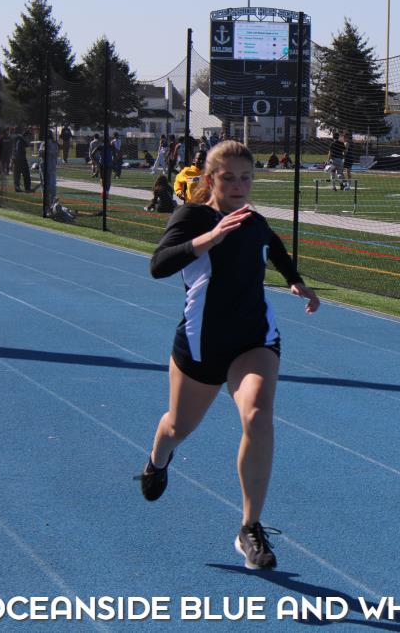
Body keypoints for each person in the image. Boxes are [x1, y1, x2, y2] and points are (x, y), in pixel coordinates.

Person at [138, 140, 320, 570]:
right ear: (210, 179)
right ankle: (158, 459)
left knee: (257, 416)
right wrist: (211, 237)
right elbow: (159, 264)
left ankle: (249, 527)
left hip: (255, 338)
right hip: (202, 343)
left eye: (246, 178)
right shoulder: (192, 217)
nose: (238, 186)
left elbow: (271, 244)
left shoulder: (253, 219)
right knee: (178, 425)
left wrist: (295, 280)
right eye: (229, 178)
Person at [12, 128, 31, 192]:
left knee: (17, 174)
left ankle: (17, 187)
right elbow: (27, 145)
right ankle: (27, 188)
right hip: (21, 158)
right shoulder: (22, 139)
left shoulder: (16, 138)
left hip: (16, 158)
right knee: (26, 174)